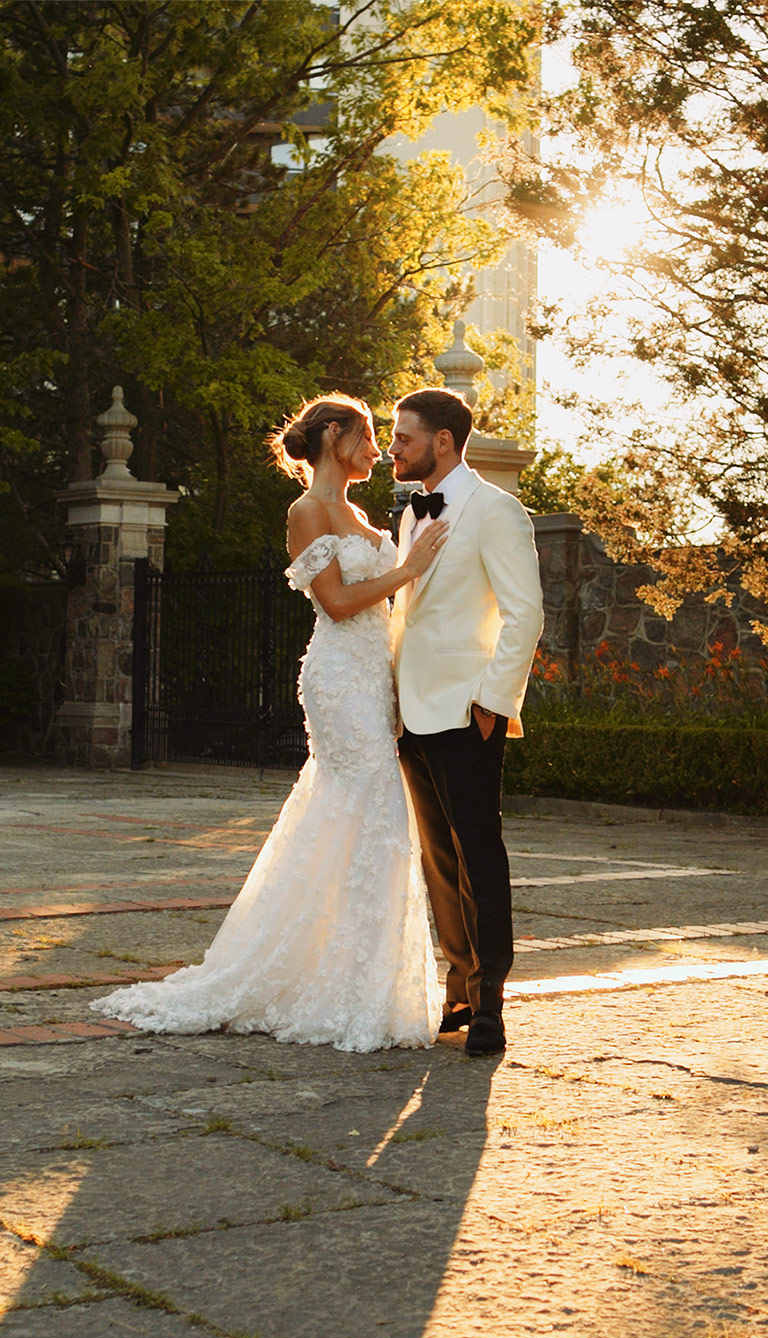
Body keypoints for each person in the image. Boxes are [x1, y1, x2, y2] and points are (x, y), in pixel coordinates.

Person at [92, 393, 447, 1052]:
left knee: (354, 817)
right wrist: (406, 569)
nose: (378, 451)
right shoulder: (306, 511)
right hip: (339, 680)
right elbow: (338, 603)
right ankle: (341, 987)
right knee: (376, 812)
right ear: (335, 435)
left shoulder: (360, 513)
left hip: (372, 681)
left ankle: (346, 976)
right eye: (369, 437)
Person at [390, 387, 544, 1058]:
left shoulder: (496, 510)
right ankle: (458, 982)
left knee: (480, 855)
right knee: (439, 860)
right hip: (410, 712)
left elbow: (525, 614)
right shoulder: (409, 515)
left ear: (443, 441)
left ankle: (490, 1003)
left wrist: (492, 702)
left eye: (404, 437)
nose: (394, 448)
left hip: (465, 710)